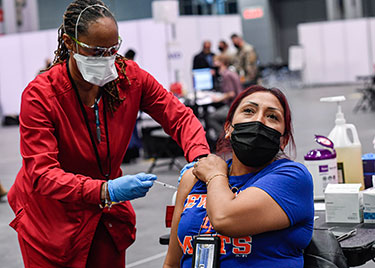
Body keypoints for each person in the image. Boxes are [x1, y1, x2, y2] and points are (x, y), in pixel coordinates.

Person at [7, 1, 210, 267]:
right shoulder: (41, 96)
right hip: (52, 221)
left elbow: (179, 116)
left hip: (107, 219)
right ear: (70, 43)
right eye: (97, 51)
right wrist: (106, 190)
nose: (107, 59)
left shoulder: (129, 77)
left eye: (113, 49)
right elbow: (42, 174)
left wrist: (200, 159)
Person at [163, 85, 314, 268]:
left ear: (284, 140)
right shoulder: (193, 179)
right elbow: (172, 263)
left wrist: (215, 175)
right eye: (249, 111)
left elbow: (224, 218)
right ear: (228, 128)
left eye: (272, 116)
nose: (259, 121)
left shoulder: (292, 178)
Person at [206, 54, 243, 142]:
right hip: (238, 105)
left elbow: (231, 93)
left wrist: (218, 99)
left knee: (210, 118)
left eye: (215, 61)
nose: (213, 63)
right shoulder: (230, 72)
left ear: (221, 62)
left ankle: (225, 140)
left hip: (233, 107)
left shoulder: (226, 75)